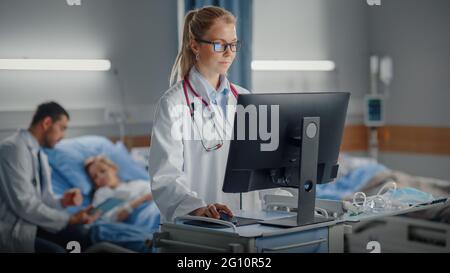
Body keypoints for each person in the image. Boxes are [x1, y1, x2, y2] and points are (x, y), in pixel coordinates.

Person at [148, 6, 261, 223]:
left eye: (234, 44)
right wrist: (198, 209)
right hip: (196, 228)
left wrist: (288, 203)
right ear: (194, 45)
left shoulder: (245, 99)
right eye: (219, 44)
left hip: (248, 222)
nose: (229, 52)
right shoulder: (173, 103)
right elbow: (165, 177)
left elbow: (260, 168)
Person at [0, 102, 100, 253]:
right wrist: (69, 219)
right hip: (14, 230)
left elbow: (43, 198)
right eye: (62, 128)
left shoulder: (39, 154)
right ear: (47, 123)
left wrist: (63, 201)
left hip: (32, 224)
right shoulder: (13, 149)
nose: (63, 136)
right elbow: (24, 203)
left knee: (82, 235)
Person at [84, 155, 153, 222]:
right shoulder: (101, 194)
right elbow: (112, 218)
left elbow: (157, 191)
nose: (100, 177)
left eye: (103, 171)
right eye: (95, 177)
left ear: (114, 168)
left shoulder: (137, 184)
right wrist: (141, 200)